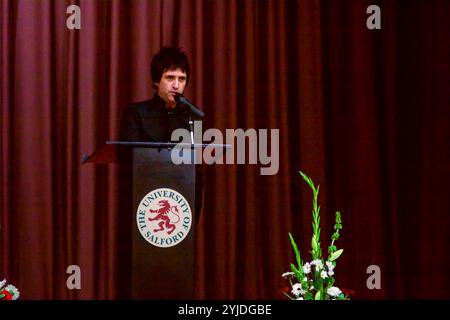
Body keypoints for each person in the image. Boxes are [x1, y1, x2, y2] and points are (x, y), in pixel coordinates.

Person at [119, 46, 204, 221]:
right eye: (170, 77)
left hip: (182, 203)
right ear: (157, 81)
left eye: (182, 79)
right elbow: (128, 159)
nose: (176, 85)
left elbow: (197, 169)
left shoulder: (191, 116)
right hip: (145, 202)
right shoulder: (136, 113)